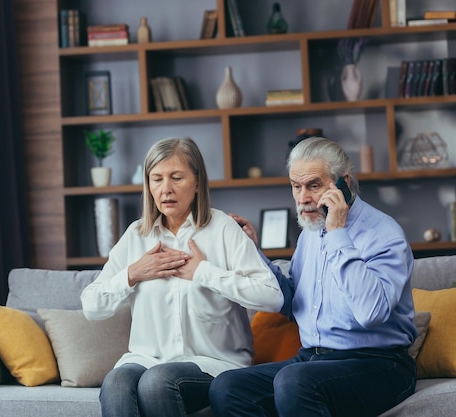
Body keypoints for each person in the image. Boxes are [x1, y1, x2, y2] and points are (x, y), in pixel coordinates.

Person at [210, 136, 418, 417]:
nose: (303, 198)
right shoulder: (310, 233)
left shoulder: (384, 233)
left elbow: (371, 313)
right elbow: (293, 304)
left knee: (294, 381)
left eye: (314, 186)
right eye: (296, 187)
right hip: (314, 361)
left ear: (343, 182)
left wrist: (338, 234)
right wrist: (252, 251)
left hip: (380, 364)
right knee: (228, 386)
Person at [81, 137, 284, 417]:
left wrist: (203, 272)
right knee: (115, 381)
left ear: (198, 182)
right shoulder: (136, 235)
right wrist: (132, 274)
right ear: (148, 185)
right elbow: (91, 306)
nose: (166, 189)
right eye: (157, 179)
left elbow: (272, 297)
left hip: (214, 363)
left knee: (157, 382)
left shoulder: (223, 228)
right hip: (146, 358)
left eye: (177, 177)